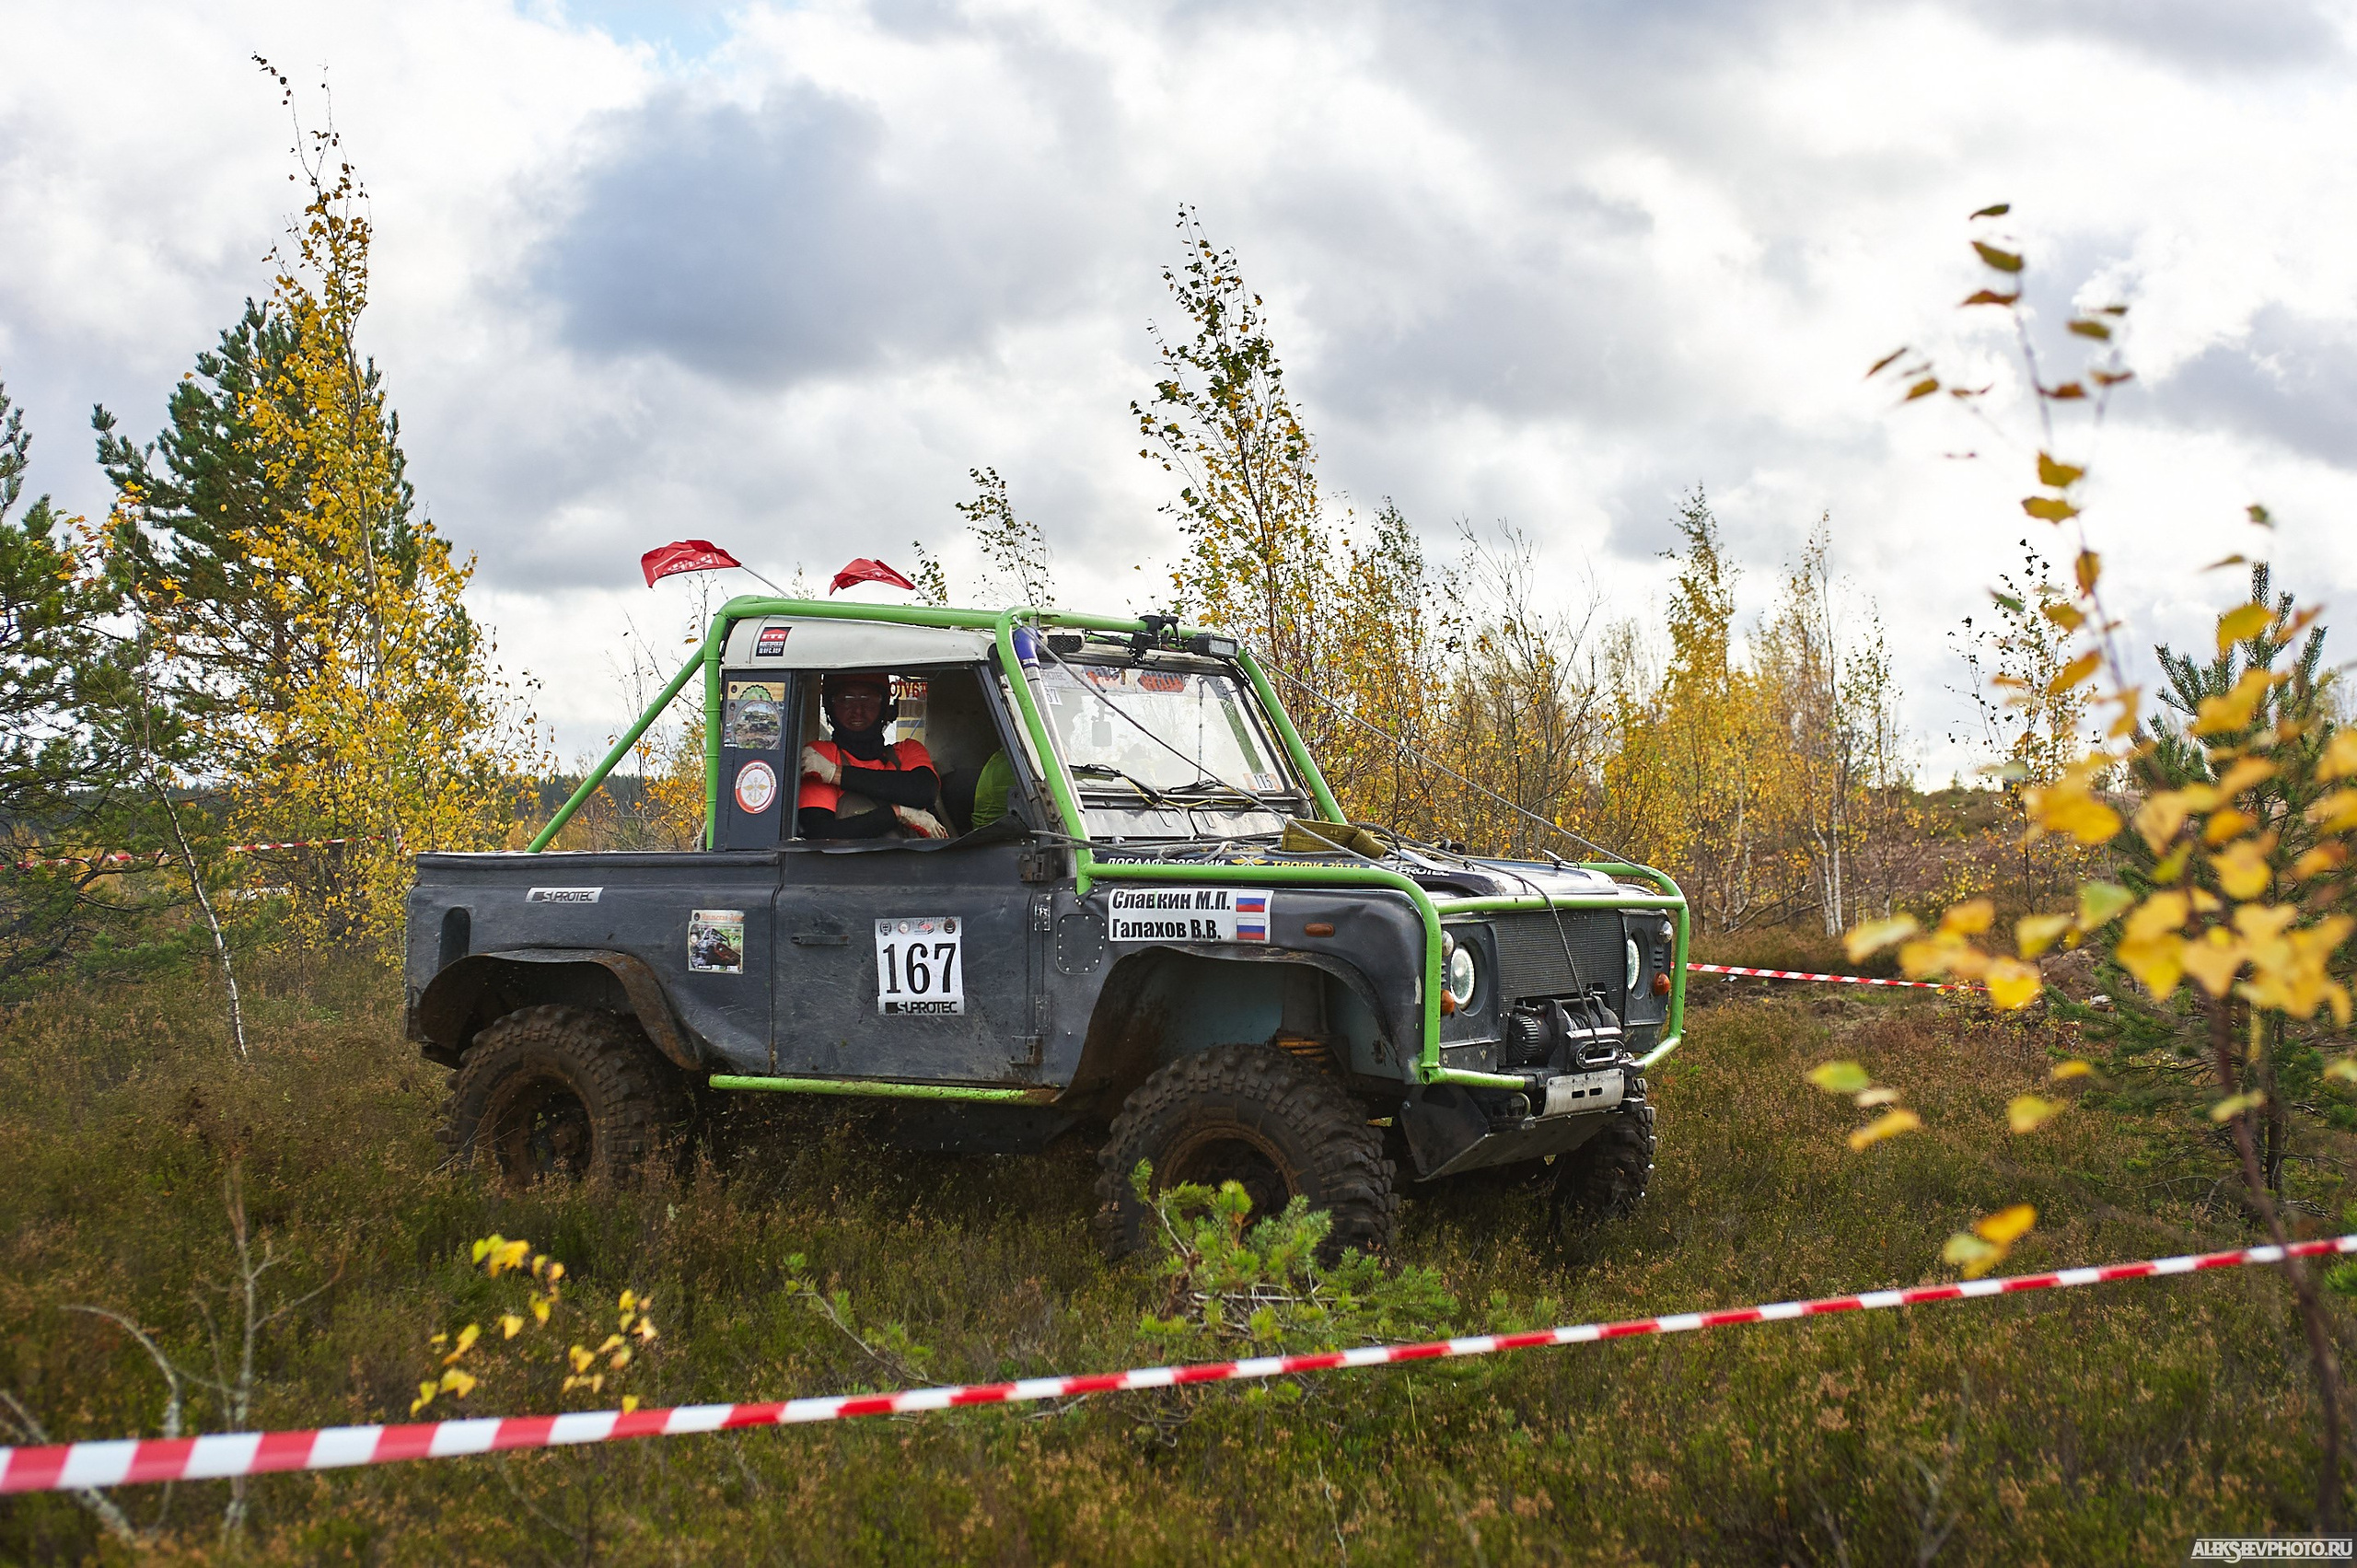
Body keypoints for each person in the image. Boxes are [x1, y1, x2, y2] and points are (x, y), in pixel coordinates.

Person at [798, 672, 952, 840]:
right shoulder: (820, 755)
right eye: (846, 699)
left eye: (868, 699)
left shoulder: (907, 750)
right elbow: (819, 834)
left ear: (885, 705)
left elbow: (923, 791)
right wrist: (897, 813)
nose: (858, 710)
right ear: (829, 706)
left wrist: (833, 774)